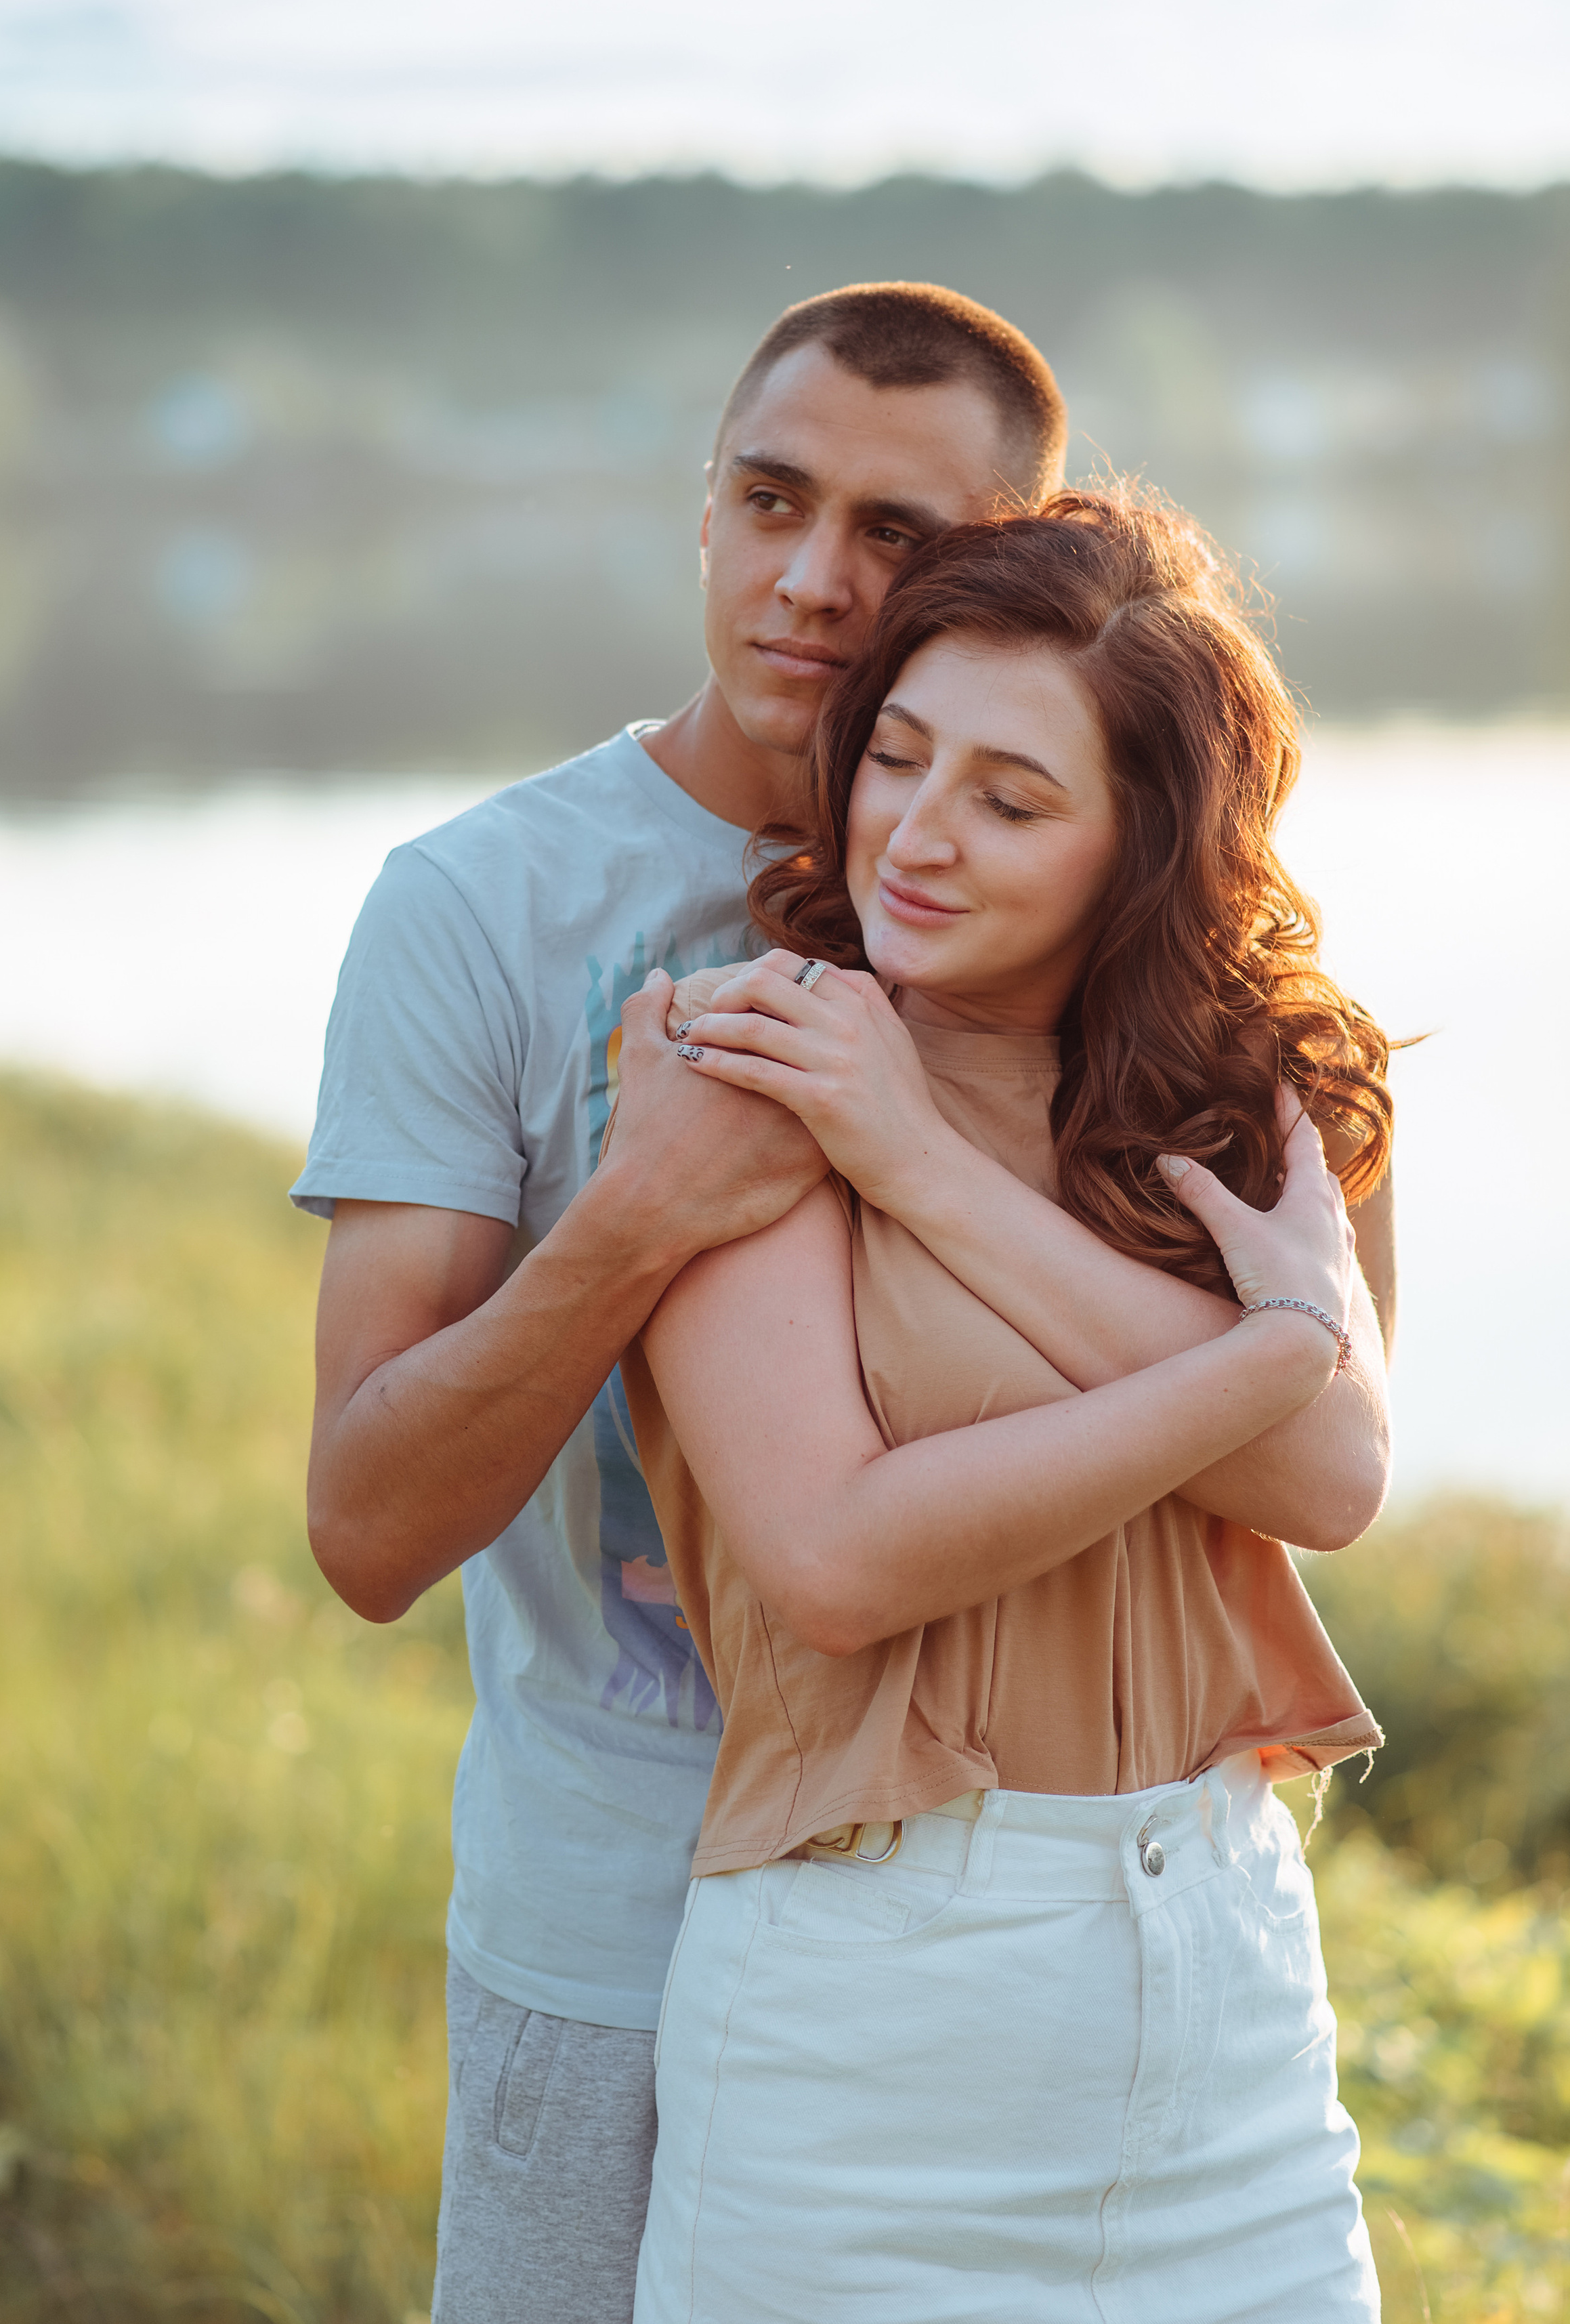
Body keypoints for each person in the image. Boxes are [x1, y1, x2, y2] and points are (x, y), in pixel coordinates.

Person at [293, 283, 1081, 2323]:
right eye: (770, 497)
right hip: (613, 1933)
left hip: (1001, 1936)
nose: (815, 581)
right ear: (704, 512)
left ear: (1019, 569)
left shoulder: (1100, 914)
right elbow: (366, 1529)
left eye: (897, 536)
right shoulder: (474, 907)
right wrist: (636, 1215)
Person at [616, 492, 1393, 2321]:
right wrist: (1261, 1347)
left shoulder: (1268, 1092)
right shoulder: (747, 1058)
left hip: (1223, 1990)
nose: (918, 834)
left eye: (1013, 798)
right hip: (872, 2019)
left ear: (1145, 845)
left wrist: (937, 1181)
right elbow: (834, 1554)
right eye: (897, 755)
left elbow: (1337, 1475)